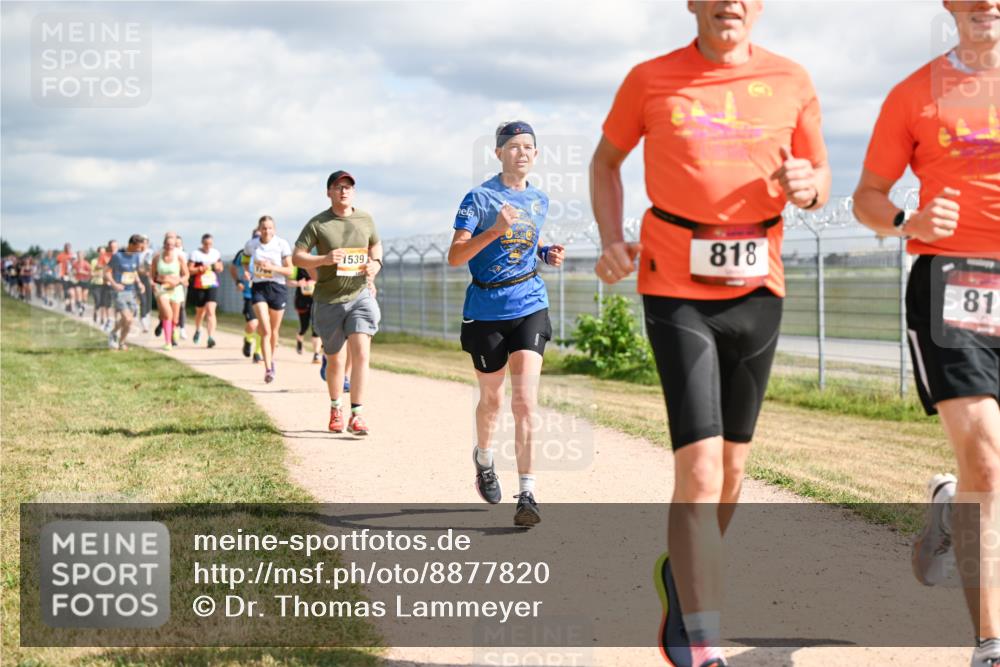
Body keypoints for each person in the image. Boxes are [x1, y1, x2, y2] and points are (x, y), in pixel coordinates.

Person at [591, 2, 830, 664]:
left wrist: (808, 186)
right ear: (692, 3)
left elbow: (819, 177)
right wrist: (613, 239)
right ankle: (705, 640)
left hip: (760, 285)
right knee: (697, 466)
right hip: (674, 284)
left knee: (732, 470)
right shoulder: (650, 78)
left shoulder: (792, 79)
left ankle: (681, 572)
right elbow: (605, 162)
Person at [852, 2, 1000, 664]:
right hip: (953, 283)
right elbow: (867, 199)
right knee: (988, 460)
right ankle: (989, 643)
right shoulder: (915, 93)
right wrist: (910, 218)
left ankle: (948, 504)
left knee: (979, 472)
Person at [447, 121, 565, 528]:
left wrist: (544, 253)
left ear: (536, 154)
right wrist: (495, 229)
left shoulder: (539, 199)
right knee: (493, 402)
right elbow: (455, 256)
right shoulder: (478, 198)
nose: (522, 152)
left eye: (529, 146)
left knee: (525, 402)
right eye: (513, 146)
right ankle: (483, 458)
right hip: (485, 310)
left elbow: (523, 250)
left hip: (530, 302)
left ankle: (528, 494)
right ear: (498, 153)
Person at [293, 170, 382, 435]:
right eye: (338, 187)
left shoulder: (365, 218)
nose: (344, 191)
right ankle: (336, 408)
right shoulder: (318, 224)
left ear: (353, 192)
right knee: (336, 361)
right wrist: (323, 259)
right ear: (329, 192)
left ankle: (357, 414)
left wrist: (375, 263)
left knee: (362, 353)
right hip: (329, 299)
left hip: (360, 295)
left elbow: (375, 246)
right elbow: (297, 257)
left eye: (348, 187)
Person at [245, 216, 294, 383]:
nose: (267, 231)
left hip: (277, 288)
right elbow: (245, 259)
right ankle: (267, 368)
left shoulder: (282, 244)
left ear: (274, 229)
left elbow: (290, 271)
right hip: (259, 287)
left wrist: (271, 267)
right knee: (265, 330)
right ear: (259, 229)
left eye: (270, 228)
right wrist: (247, 271)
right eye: (264, 228)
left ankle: (271, 360)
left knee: (273, 331)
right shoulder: (252, 244)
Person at [105, 234, 146, 351]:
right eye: (138, 247)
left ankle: (119, 340)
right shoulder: (117, 256)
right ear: (131, 245)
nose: (140, 250)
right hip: (119, 292)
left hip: (131, 291)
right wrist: (114, 284)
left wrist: (139, 283)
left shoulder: (136, 257)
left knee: (127, 319)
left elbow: (134, 271)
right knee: (128, 319)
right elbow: (106, 272)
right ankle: (116, 337)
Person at [150, 232, 189, 350]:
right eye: (167, 244)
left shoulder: (180, 258)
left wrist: (179, 281)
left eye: (172, 245)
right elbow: (152, 276)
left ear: (175, 246)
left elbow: (186, 275)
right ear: (164, 244)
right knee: (168, 314)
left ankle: (174, 330)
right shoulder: (157, 258)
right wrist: (153, 283)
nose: (169, 247)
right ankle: (168, 342)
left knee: (175, 318)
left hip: (176, 289)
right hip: (162, 289)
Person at [230, 232, 263, 363]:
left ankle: (258, 352)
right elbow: (232, 268)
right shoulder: (244, 252)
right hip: (250, 294)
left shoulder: (271, 252)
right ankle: (248, 339)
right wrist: (238, 281)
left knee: (262, 325)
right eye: (256, 237)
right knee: (252, 323)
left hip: (265, 292)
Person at [188, 233, 224, 348]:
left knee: (210, 310)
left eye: (210, 244)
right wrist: (199, 269)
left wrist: (214, 267)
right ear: (202, 243)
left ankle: (210, 337)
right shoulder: (195, 254)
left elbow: (221, 267)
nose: (208, 246)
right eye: (206, 244)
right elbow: (189, 269)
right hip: (199, 286)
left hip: (212, 284)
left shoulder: (215, 253)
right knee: (200, 312)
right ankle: (198, 329)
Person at [291, 265, 323, 364]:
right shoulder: (297, 266)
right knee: (304, 327)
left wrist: (315, 282)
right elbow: (288, 281)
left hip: (317, 301)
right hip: (302, 301)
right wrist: (298, 283)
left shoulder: (320, 264)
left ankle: (316, 355)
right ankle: (299, 339)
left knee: (316, 328)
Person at [71, 250, 91, 317]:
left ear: (83, 256)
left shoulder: (86, 264)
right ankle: (80, 309)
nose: (79, 257)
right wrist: (74, 272)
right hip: (78, 281)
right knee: (79, 294)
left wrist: (83, 272)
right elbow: (72, 272)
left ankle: (82, 307)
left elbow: (91, 273)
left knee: (84, 296)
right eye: (78, 256)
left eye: (81, 256)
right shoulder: (75, 264)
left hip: (85, 281)